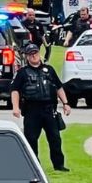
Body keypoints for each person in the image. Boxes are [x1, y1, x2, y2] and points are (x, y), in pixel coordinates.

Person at [10, 42, 71, 172]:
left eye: (36, 53)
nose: (34, 56)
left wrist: (65, 103)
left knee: (55, 138)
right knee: (31, 139)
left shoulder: (49, 70)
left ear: (39, 53)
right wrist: (16, 107)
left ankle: (59, 165)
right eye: (31, 54)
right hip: (32, 110)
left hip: (49, 110)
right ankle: (34, 166)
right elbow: (15, 90)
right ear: (26, 57)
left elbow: (58, 87)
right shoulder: (22, 73)